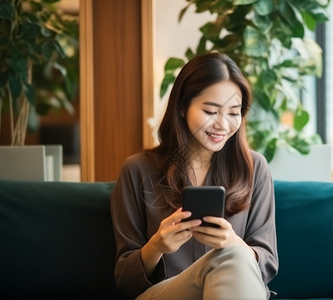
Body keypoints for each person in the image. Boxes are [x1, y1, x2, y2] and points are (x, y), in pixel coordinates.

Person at [110, 52, 278, 300]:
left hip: (236, 288)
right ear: (182, 107)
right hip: (166, 294)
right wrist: (157, 246)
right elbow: (125, 280)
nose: (223, 124)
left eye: (234, 113)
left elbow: (266, 264)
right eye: (211, 111)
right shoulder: (137, 169)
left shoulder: (255, 168)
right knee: (234, 257)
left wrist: (233, 243)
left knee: (234, 255)